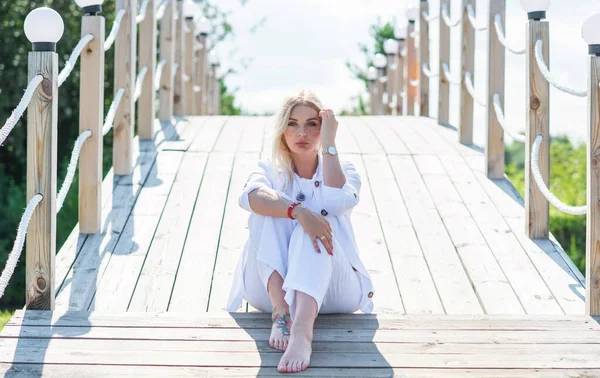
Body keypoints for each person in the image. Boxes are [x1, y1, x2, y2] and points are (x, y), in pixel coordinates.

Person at [227, 90, 374, 373]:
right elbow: (249, 198)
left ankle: (302, 332)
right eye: (292, 123)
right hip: (270, 295)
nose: (301, 132)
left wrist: (329, 144)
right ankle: (282, 316)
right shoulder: (270, 170)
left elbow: (336, 201)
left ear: (323, 130)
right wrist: (299, 212)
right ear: (282, 130)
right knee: (267, 209)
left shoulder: (345, 170)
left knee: (316, 224)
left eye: (312, 124)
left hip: (334, 292)